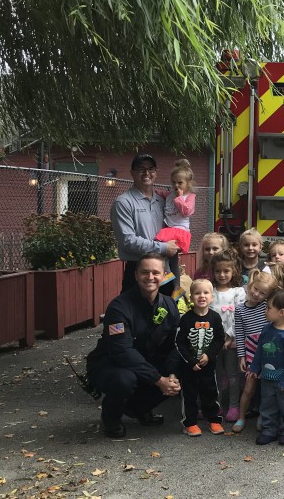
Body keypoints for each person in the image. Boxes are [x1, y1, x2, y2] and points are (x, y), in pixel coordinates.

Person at [86, 252, 182, 439]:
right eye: (145, 272)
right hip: (111, 364)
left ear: (164, 276)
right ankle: (111, 417)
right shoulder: (119, 307)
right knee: (125, 379)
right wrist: (158, 380)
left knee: (184, 369)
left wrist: (171, 375)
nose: (150, 277)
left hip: (144, 361)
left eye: (155, 272)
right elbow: (121, 351)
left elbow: (174, 345)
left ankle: (138, 408)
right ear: (136, 275)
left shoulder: (169, 305)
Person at [111, 154, 179, 294]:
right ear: (132, 172)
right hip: (139, 271)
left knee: (164, 314)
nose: (146, 173)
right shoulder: (124, 203)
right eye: (141, 169)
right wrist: (164, 247)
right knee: (136, 314)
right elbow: (128, 241)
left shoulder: (162, 201)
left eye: (151, 169)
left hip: (164, 271)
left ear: (156, 172)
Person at [174, 278, 225, 437]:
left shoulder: (215, 318)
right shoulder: (186, 319)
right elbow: (179, 343)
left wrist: (209, 355)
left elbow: (219, 339)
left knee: (210, 392)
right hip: (189, 367)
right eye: (197, 293)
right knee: (189, 395)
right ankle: (190, 423)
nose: (201, 296)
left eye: (206, 293)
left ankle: (214, 419)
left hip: (208, 366)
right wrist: (190, 361)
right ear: (191, 296)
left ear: (212, 297)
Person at [250, 290, 284, 445]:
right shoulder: (266, 329)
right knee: (267, 405)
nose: (266, 311)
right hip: (266, 377)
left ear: (281, 312)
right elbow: (260, 349)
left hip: (283, 380)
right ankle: (269, 430)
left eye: (268, 308)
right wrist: (254, 368)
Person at [232, 272, 279, 432]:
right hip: (251, 350)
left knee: (266, 387)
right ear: (251, 285)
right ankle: (241, 417)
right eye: (256, 289)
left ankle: (263, 416)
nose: (257, 294)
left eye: (263, 293)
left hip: (268, 350)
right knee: (249, 388)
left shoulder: (267, 306)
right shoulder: (239, 309)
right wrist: (241, 356)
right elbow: (239, 333)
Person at [208, 250, 245, 423]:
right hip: (213, 341)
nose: (222, 275)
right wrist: (217, 339)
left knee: (232, 375)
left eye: (226, 271)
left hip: (233, 341)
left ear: (234, 271)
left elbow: (239, 316)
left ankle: (234, 405)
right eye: (218, 271)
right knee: (216, 375)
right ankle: (215, 406)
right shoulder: (210, 292)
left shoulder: (238, 292)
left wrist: (229, 337)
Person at [155, 159, 197, 296]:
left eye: (180, 183)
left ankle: (170, 279)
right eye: (173, 182)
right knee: (170, 258)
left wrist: (179, 198)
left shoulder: (189, 197)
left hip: (179, 231)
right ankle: (175, 286)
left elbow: (187, 212)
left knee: (164, 253)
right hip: (168, 229)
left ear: (188, 183)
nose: (176, 185)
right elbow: (160, 194)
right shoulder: (169, 194)